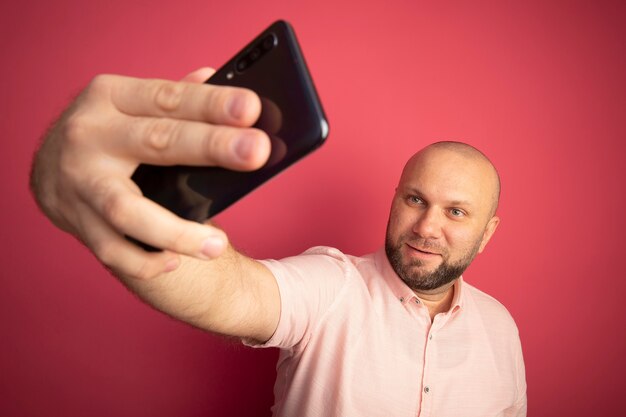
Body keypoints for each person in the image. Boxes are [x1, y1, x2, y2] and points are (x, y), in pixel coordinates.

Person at [30, 68, 527, 417]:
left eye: (456, 212)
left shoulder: (500, 329)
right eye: (415, 199)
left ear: (487, 233)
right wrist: (130, 208)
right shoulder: (333, 286)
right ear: (395, 200)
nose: (426, 226)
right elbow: (238, 292)